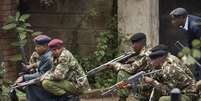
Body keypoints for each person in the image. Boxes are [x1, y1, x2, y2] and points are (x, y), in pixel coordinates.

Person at [108, 32, 151, 101]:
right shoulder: (138, 53)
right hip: (140, 77)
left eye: (135, 43)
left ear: (142, 43)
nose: (133, 46)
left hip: (146, 80)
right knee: (123, 71)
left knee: (122, 73)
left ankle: (122, 99)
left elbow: (132, 69)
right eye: (132, 43)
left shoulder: (146, 54)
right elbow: (133, 65)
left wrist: (115, 65)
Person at [14, 35, 54, 101]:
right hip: (48, 78)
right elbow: (41, 63)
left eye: (38, 46)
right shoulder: (47, 54)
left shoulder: (48, 58)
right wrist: (31, 66)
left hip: (50, 81)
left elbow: (42, 74)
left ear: (46, 46)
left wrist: (24, 77)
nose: (35, 48)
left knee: (30, 85)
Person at [170, 7, 201, 80]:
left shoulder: (195, 26)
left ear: (182, 18)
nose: (172, 22)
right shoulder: (186, 21)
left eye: (174, 19)